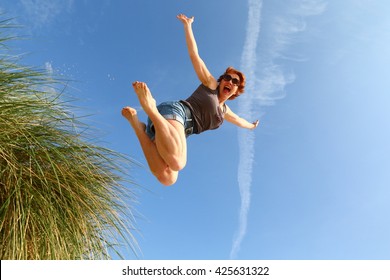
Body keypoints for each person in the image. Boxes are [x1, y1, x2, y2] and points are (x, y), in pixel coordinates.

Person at [122, 14, 259, 186]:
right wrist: (188, 26)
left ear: (237, 91)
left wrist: (252, 126)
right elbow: (195, 55)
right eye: (226, 77)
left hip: (178, 131)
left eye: (235, 81)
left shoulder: (224, 112)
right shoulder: (210, 84)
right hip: (176, 112)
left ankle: (138, 126)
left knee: (167, 178)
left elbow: (240, 121)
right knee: (178, 162)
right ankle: (151, 109)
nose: (229, 81)